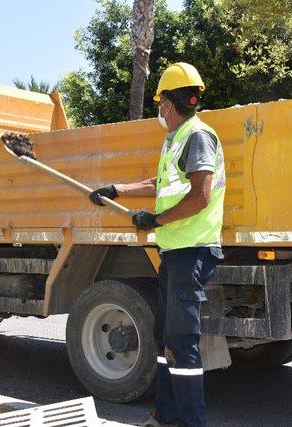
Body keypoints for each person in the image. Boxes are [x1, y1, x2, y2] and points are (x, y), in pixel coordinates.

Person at [89, 63, 225, 427]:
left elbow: (201, 195)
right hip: (175, 253)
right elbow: (161, 184)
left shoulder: (197, 136)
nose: (159, 109)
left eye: (161, 101)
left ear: (170, 101)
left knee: (182, 343)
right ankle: (165, 416)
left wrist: (155, 220)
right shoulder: (175, 139)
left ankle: (190, 422)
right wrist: (117, 190)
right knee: (163, 338)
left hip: (191, 252)